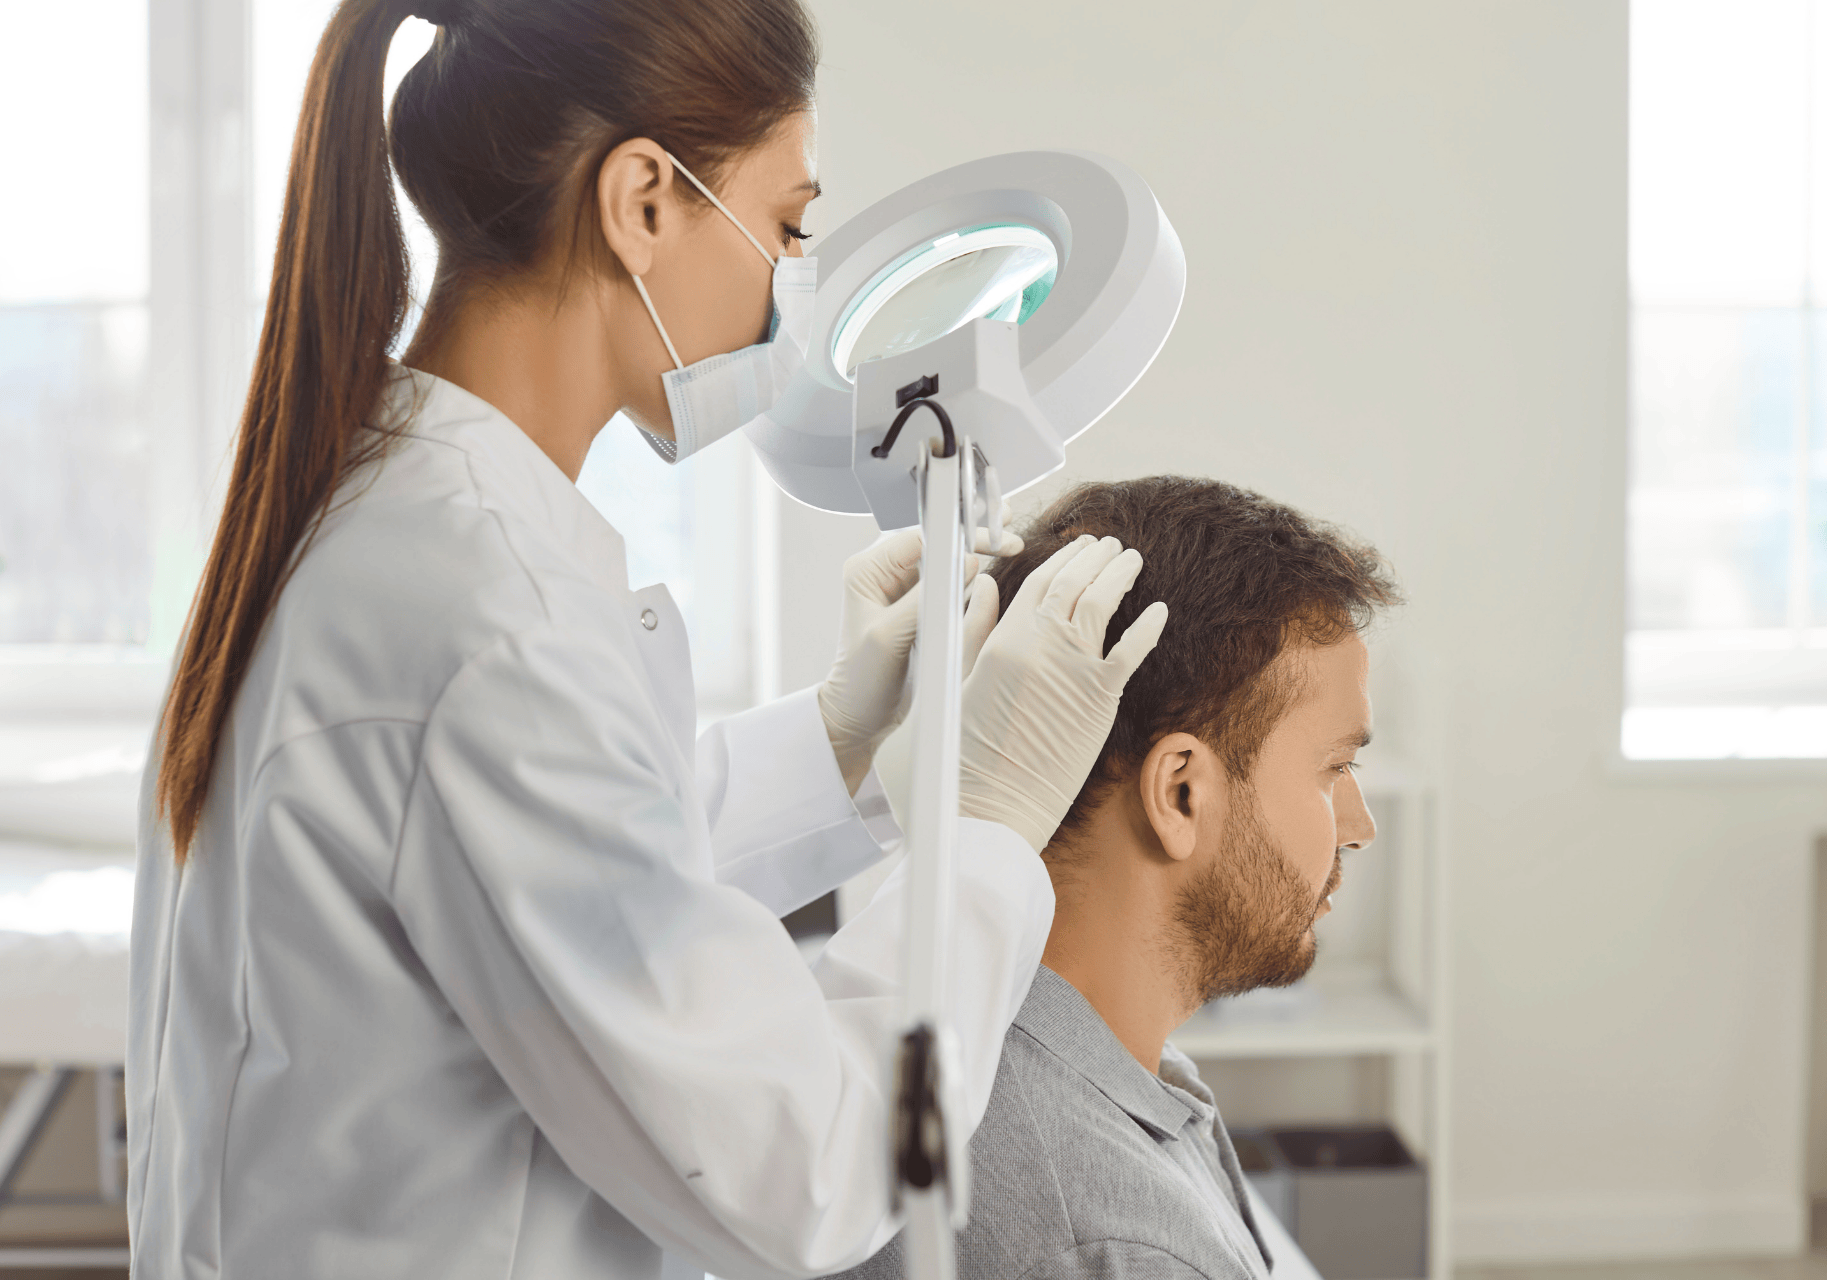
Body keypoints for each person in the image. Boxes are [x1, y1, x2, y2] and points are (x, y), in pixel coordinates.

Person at [124, 3, 1167, 1278]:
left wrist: (838, 737)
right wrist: (989, 832)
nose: (793, 284)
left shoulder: (383, 514)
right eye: (788, 226)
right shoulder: (489, 618)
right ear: (644, 203)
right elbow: (815, 1173)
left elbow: (564, 878)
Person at [833, 477, 1401, 1280]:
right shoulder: (1121, 1244)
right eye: (1334, 767)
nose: (1359, 827)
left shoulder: (1082, 1062)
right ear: (1180, 793)